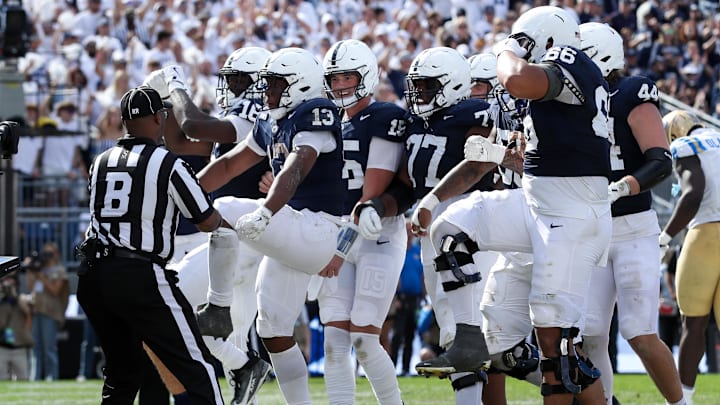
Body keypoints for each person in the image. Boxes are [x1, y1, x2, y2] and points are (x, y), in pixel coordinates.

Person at [410, 6, 611, 403]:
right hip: (536, 200)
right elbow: (516, 155)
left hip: (571, 212)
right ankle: (468, 339)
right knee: (452, 229)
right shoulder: (553, 98)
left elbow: (518, 78)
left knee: (556, 346)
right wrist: (437, 197)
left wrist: (506, 49)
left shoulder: (570, 61)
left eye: (525, 43)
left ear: (547, 41)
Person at [196, 47, 344, 405]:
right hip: (293, 231)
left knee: (226, 207)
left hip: (317, 227)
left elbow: (298, 162)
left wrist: (266, 211)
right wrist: (186, 192)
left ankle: (217, 309)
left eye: (276, 84)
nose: (268, 91)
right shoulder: (271, 120)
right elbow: (230, 164)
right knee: (273, 330)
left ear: (300, 85)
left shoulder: (316, 111)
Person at [76, 86, 227, 405]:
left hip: (93, 276)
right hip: (137, 273)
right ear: (158, 118)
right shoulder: (168, 163)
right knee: (198, 368)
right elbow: (206, 220)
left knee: (122, 374)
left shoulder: (100, 161)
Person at [143, 47, 274, 405]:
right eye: (228, 80)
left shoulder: (256, 111)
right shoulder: (243, 117)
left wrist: (175, 86)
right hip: (236, 242)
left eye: (237, 80)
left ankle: (244, 366)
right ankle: (243, 368)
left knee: (167, 304)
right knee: (224, 341)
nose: (230, 88)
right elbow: (182, 141)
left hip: (241, 241)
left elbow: (194, 126)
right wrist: (164, 103)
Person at [578, 22, 686, 405]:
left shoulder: (629, 92)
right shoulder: (570, 101)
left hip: (631, 227)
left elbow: (660, 161)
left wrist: (623, 186)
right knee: (588, 334)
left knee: (638, 332)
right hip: (589, 229)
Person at [397, 46, 500, 403]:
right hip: (430, 230)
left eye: (428, 86)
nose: (419, 94)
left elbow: (478, 163)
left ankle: (587, 393)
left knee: (491, 334)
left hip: (470, 223)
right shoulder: (416, 124)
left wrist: (433, 201)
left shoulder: (473, 113)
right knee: (454, 332)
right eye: (417, 86)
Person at [315, 39, 408, 404]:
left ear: (367, 76)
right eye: (334, 79)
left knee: (364, 339)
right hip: (336, 233)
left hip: (374, 233)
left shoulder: (384, 118)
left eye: (348, 78)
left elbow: (372, 194)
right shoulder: (326, 122)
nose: (340, 86)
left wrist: (339, 248)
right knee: (335, 341)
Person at [660, 109, 720, 405]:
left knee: (694, 323)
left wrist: (666, 236)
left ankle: (685, 399)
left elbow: (694, 193)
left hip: (708, 234)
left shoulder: (684, 146)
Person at [27, 242, 69, 381]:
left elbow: (55, 291)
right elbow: (31, 288)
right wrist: (30, 270)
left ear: (56, 254)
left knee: (49, 348)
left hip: (50, 313)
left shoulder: (60, 270)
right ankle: (35, 376)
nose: (47, 256)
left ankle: (52, 376)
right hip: (36, 310)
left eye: (50, 253)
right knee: (36, 348)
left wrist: (41, 277)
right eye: (45, 253)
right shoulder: (40, 269)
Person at [391, 220, 424, 377]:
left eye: (412, 231)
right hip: (401, 299)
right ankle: (392, 367)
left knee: (410, 334)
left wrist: (424, 295)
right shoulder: (397, 251)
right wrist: (395, 298)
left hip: (415, 299)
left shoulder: (417, 251)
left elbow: (422, 275)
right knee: (397, 334)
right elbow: (393, 276)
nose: (410, 234)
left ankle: (405, 368)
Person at [0, 273, 33, 381]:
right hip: (2, 346)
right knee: (2, 380)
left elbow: (28, 313)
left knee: (23, 378)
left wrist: (15, 298)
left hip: (19, 346)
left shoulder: (21, 299)